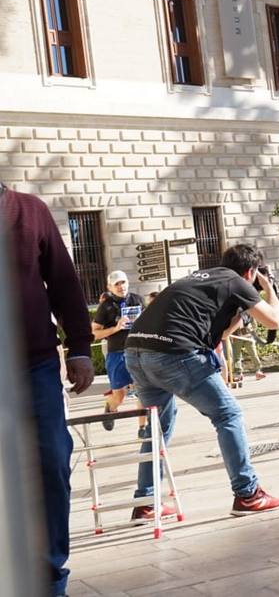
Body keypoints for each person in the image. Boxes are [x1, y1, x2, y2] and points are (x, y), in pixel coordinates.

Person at [123, 243, 279, 518]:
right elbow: (272, 320)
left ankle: (146, 502)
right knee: (228, 415)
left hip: (137, 352)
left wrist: (242, 310)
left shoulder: (203, 276)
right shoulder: (237, 280)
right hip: (174, 353)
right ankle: (248, 495)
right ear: (250, 272)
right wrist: (269, 288)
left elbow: (221, 334)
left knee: (157, 428)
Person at [6, 184, 94, 596]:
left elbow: (63, 283)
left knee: (52, 465)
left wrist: (79, 348)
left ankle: (50, 579)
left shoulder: (29, 210)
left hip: (34, 365)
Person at [91, 270, 144, 430]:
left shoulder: (138, 300)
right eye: (117, 284)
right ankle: (110, 407)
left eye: (123, 282)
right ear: (110, 287)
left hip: (138, 351)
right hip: (116, 353)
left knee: (142, 390)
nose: (121, 287)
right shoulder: (106, 307)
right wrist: (115, 328)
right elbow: (94, 334)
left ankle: (142, 428)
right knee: (119, 395)